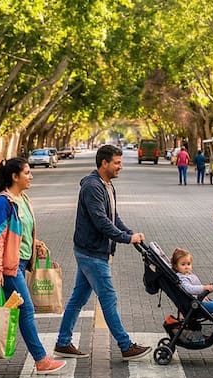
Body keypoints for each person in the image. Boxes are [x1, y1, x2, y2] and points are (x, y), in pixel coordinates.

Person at [0, 157, 67, 375]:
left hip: (19, 263)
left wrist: (35, 244)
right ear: (14, 176)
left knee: (5, 309)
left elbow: (20, 233)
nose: (31, 176)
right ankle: (41, 360)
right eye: (27, 173)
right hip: (7, 266)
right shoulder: (2, 203)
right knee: (26, 310)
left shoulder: (22, 198)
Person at [52, 144, 152, 361]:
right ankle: (125, 346)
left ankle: (62, 343)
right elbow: (101, 221)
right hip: (91, 252)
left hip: (91, 250)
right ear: (104, 163)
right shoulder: (92, 187)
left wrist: (129, 232)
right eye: (117, 163)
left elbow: (113, 217)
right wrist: (126, 238)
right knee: (108, 298)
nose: (121, 167)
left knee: (78, 299)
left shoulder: (106, 185)